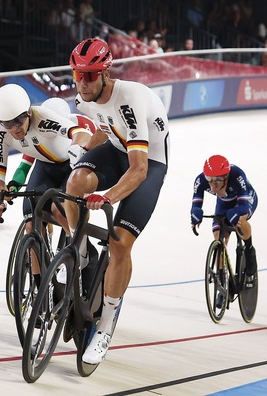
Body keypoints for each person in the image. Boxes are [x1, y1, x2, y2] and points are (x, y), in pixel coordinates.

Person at [65, 37, 170, 364]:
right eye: (77, 74)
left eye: (90, 76)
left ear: (106, 74)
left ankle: (106, 325)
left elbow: (138, 169)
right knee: (75, 182)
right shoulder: (86, 98)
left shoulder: (131, 100)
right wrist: (82, 153)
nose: (82, 82)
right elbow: (103, 128)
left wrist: (107, 196)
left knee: (120, 243)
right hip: (119, 147)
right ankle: (79, 250)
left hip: (149, 162)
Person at [0, 84, 93, 287]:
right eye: (7, 123)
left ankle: (81, 252)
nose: (15, 128)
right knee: (30, 218)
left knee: (60, 208)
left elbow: (81, 133)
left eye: (18, 120)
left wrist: (77, 148)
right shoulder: (0, 132)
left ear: (28, 112)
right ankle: (38, 287)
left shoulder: (44, 119)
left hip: (72, 163)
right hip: (46, 165)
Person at [190, 155, 258, 289]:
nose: (213, 184)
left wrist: (237, 214)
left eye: (217, 180)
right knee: (218, 237)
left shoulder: (237, 175)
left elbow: (244, 206)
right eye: (210, 179)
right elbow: (196, 203)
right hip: (224, 203)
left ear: (226, 176)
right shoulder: (200, 180)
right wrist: (195, 215)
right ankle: (222, 280)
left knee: (239, 220)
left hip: (244, 199)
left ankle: (249, 251)